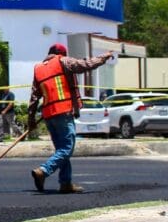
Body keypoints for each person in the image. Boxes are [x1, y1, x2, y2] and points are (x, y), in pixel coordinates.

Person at [28, 43, 114, 194]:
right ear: (61, 53)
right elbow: (86, 64)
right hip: (63, 111)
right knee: (67, 148)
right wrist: (104, 57)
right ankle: (43, 170)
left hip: (49, 115)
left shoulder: (38, 68)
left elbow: (34, 97)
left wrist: (31, 120)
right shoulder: (64, 61)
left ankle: (65, 183)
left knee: (61, 149)